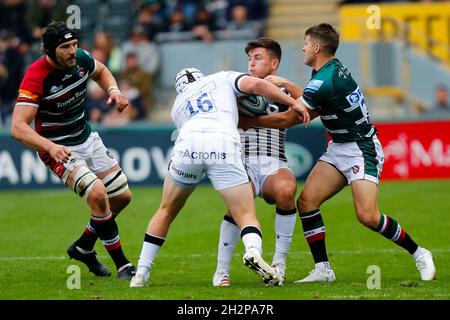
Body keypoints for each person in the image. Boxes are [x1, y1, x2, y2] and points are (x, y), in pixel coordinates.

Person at [239, 23, 436, 282]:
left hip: (360, 149)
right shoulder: (327, 69)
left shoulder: (324, 79)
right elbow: (316, 103)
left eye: (307, 44)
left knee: (367, 216)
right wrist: (286, 84)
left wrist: (249, 122)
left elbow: (289, 119)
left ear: (317, 47)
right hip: (338, 147)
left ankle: (420, 252)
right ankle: (323, 269)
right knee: (307, 203)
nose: (303, 48)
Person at [129, 67, 310, 287]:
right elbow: (257, 85)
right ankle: (253, 251)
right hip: (222, 142)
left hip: (188, 144)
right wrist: (292, 102)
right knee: (245, 214)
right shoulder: (221, 77)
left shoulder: (177, 105)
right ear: (201, 77)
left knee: (166, 210)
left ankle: (141, 273)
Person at [10, 21, 136, 280]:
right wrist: (50, 147)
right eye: (66, 46)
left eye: (74, 44)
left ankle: (83, 246)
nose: (72, 51)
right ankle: (123, 265)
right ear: (49, 50)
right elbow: (18, 128)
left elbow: (101, 71)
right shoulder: (36, 77)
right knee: (98, 194)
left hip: (86, 137)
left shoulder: (79, 58)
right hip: (58, 148)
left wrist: (114, 90)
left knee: (122, 197)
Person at [213, 38, 303, 287]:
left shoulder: (285, 93)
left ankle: (279, 264)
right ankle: (221, 271)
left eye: (258, 58)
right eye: (250, 59)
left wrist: (285, 83)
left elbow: (309, 105)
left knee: (287, 190)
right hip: (244, 164)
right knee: (236, 207)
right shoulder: (237, 89)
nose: (251, 64)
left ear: (274, 64)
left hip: (275, 162)